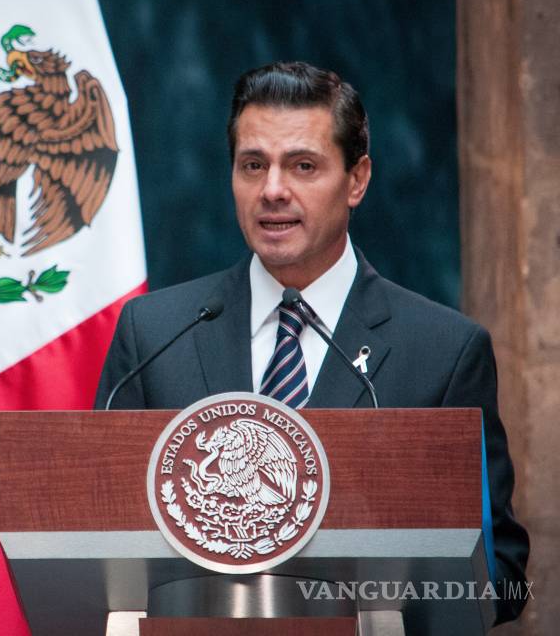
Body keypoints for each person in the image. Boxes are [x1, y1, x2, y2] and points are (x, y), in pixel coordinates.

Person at [94, 61, 529, 623]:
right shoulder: (155, 334)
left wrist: (385, 606)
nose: (273, 190)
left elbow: (502, 574)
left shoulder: (443, 352)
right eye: (253, 165)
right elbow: (97, 538)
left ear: (357, 180)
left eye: (303, 166)